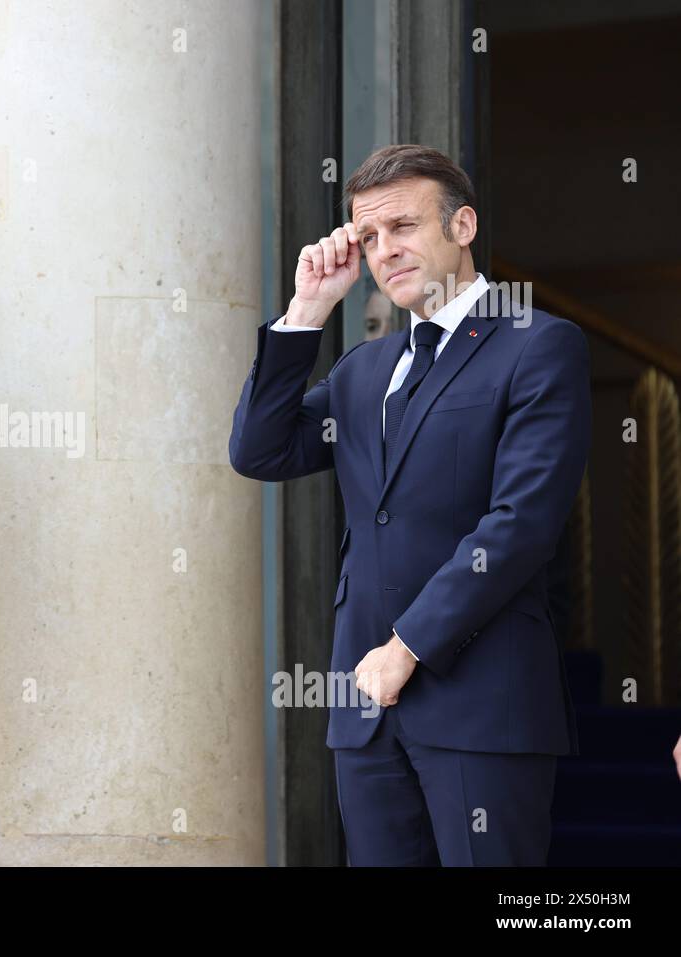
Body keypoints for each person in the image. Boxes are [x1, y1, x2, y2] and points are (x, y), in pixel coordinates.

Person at [229, 144, 587, 866]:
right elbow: (259, 451)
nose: (385, 250)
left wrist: (406, 647)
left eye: (403, 226)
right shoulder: (364, 369)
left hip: (483, 706)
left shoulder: (540, 346)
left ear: (462, 227)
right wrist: (308, 310)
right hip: (366, 716)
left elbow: (519, 525)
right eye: (369, 237)